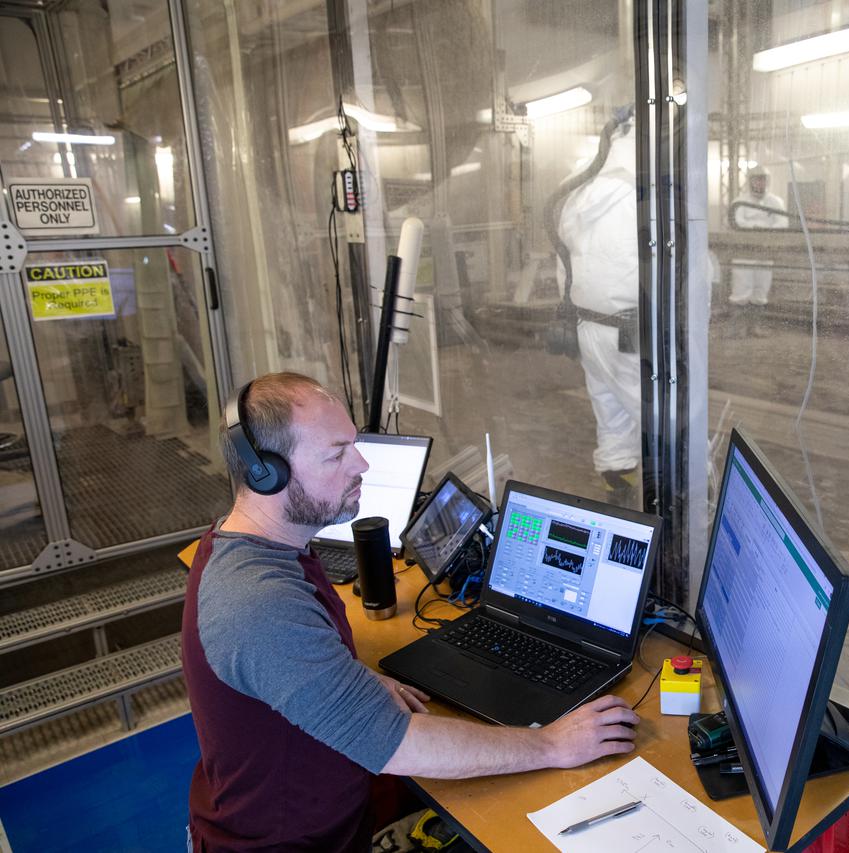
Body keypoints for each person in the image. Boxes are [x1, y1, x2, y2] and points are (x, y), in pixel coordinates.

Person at [183, 372, 638, 852]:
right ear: (266, 474)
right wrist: (552, 744)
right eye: (336, 454)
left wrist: (345, 681)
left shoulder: (256, 546)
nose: (361, 464)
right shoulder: (258, 604)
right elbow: (399, 743)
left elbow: (278, 668)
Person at [557, 116, 642, 504]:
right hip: (631, 329)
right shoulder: (643, 189)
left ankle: (619, 500)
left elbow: (563, 260)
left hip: (589, 326)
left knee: (611, 414)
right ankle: (692, 513)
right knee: (669, 426)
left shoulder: (579, 188)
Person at [729, 165, 788, 308]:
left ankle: (756, 317)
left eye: (763, 180)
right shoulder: (739, 202)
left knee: (763, 282)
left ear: (767, 181)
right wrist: (756, 226)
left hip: (766, 248)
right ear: (750, 181)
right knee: (742, 281)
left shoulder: (775, 202)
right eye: (756, 180)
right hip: (744, 248)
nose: (759, 183)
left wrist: (767, 230)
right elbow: (737, 222)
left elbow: (783, 222)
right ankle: (739, 315)